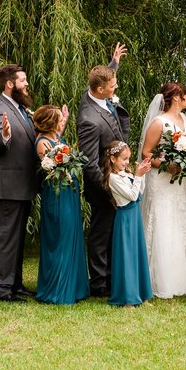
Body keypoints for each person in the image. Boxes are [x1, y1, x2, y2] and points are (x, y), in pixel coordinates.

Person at [139, 82, 186, 298]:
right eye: (184, 95)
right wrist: (167, 165)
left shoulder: (185, 120)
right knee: (163, 222)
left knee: (182, 222)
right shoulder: (159, 123)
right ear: (176, 98)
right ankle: (159, 278)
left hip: (180, 182)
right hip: (162, 181)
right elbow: (146, 152)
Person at [76, 44, 131, 297]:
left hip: (115, 180)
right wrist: (108, 189)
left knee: (110, 232)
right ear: (100, 90)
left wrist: (114, 63)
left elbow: (103, 77)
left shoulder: (96, 93)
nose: (115, 87)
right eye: (112, 86)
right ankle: (99, 283)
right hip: (102, 186)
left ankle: (110, 276)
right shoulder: (89, 118)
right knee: (101, 234)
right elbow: (88, 162)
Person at [0, 64, 39, 302]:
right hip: (5, 188)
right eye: (23, 80)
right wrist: (5, 135)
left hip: (21, 186)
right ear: (10, 84)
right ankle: (2, 289)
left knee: (16, 238)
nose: (26, 84)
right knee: (6, 238)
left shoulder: (21, 109)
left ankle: (15, 284)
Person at [32, 104, 90, 305]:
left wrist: (63, 118)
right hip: (57, 194)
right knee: (60, 237)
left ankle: (74, 287)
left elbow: (58, 142)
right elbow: (51, 166)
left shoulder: (54, 136)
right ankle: (57, 289)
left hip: (68, 192)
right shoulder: (42, 143)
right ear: (51, 123)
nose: (61, 122)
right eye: (58, 119)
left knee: (71, 233)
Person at [105, 141, 154, 307]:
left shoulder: (127, 174)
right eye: (124, 159)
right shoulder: (113, 178)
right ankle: (128, 299)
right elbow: (132, 196)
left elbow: (139, 192)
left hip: (135, 217)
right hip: (125, 218)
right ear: (113, 159)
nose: (127, 162)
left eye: (128, 159)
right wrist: (138, 176)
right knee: (127, 256)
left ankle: (142, 294)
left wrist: (142, 175)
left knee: (138, 253)